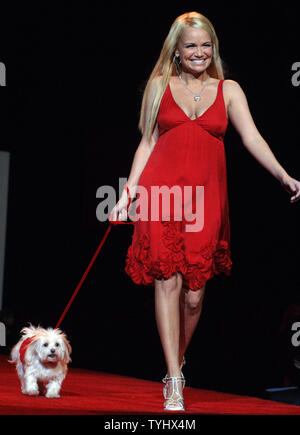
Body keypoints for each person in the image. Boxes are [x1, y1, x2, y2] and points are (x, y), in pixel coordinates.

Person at [110, 11, 300, 411]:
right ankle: (174, 379)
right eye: (190, 45)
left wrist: (283, 174)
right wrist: (130, 190)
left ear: (213, 48)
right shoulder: (158, 86)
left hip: (205, 197)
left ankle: (177, 359)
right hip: (160, 192)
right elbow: (146, 142)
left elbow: (252, 137)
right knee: (167, 280)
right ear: (176, 51)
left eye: (205, 45)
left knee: (194, 296)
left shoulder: (228, 89)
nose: (199, 52)